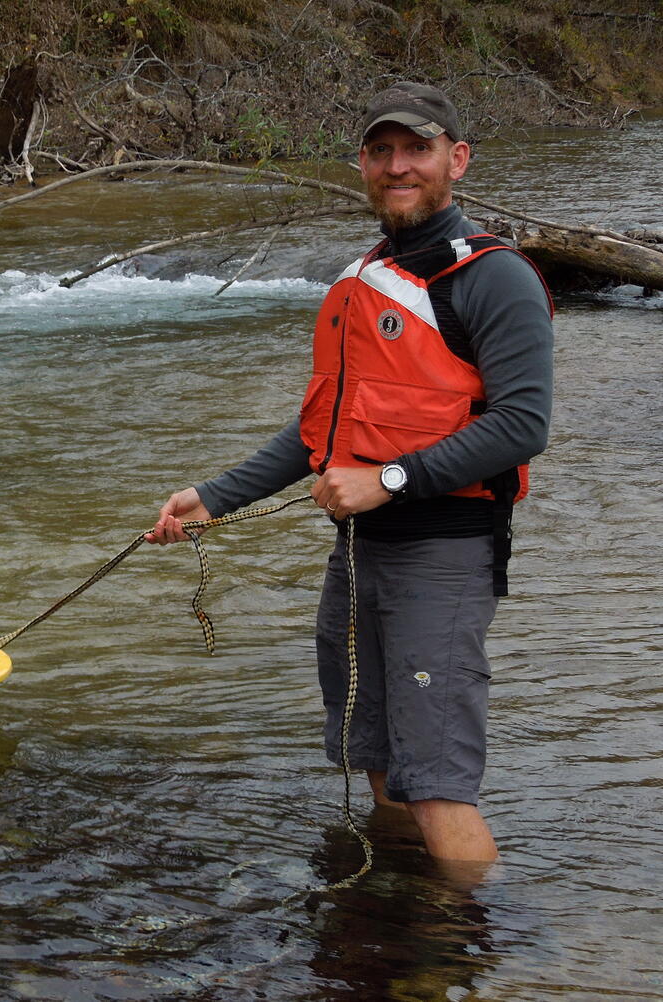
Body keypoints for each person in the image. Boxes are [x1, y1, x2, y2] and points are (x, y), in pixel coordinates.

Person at [146, 81, 554, 863]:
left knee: (437, 783)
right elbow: (319, 433)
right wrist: (213, 499)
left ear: (456, 160)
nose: (398, 166)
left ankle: (466, 955)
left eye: (417, 149)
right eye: (381, 151)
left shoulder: (495, 279)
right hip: (359, 554)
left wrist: (389, 479)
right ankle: (392, 927)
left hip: (445, 555)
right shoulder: (363, 278)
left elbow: (521, 424)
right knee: (374, 759)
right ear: (362, 164)